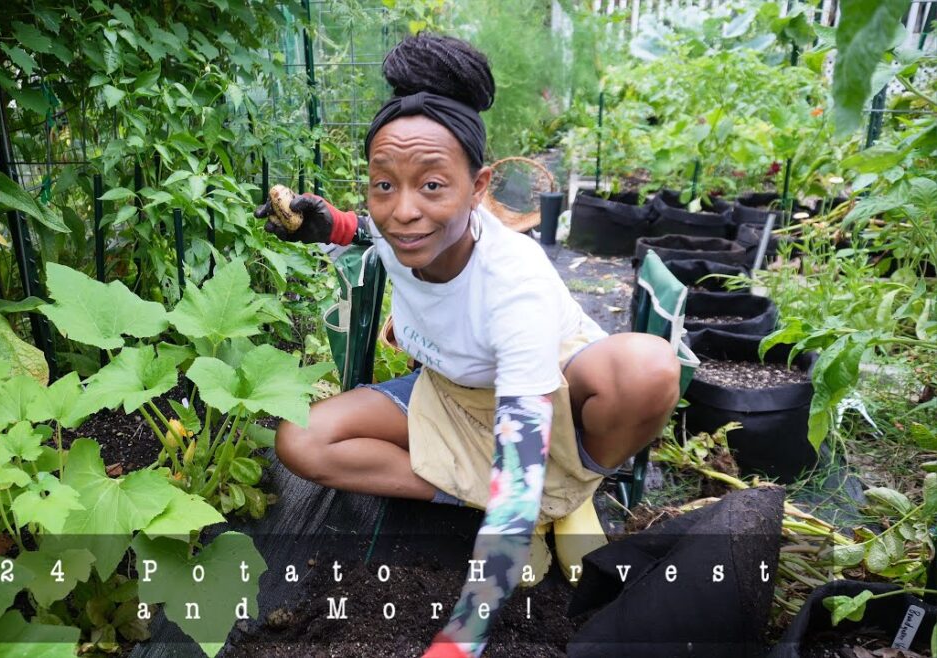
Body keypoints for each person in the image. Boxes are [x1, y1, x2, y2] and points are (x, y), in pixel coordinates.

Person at [255, 33, 680, 658]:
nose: (403, 212)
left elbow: (523, 432)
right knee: (301, 439)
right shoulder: (396, 225)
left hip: (548, 401)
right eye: (382, 185)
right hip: (448, 396)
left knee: (647, 367)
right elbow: (369, 228)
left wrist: (464, 636)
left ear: (479, 187)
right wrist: (330, 225)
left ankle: (563, 497)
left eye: (432, 186)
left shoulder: (515, 283)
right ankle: (519, 500)